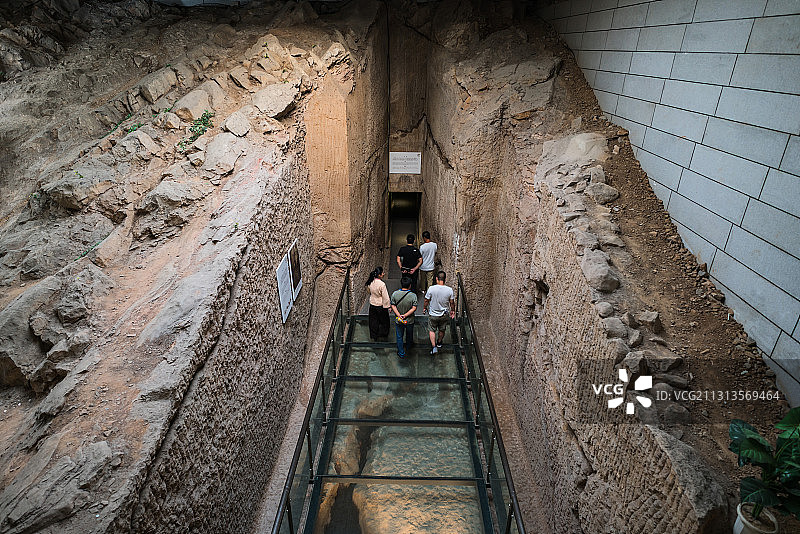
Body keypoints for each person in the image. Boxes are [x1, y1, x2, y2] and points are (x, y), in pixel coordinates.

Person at [422, 271, 455, 355]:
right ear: (445, 279)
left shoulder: (431, 289)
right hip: (444, 314)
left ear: (436, 278)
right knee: (442, 329)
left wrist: (424, 308)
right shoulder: (449, 290)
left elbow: (426, 300)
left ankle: (434, 347)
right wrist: (453, 311)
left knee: (431, 330)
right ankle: (439, 342)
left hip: (433, 314)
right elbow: (452, 302)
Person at [390, 276, 418, 358]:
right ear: (410, 285)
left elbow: (393, 305)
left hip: (399, 320)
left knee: (399, 336)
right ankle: (408, 348)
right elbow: (414, 308)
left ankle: (401, 352)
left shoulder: (395, 294)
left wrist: (399, 315)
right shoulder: (413, 296)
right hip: (409, 320)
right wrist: (405, 315)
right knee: (409, 335)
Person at [365, 266, 390, 341]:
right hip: (380, 305)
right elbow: (385, 297)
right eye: (382, 273)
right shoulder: (382, 284)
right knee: (384, 321)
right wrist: (388, 306)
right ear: (379, 275)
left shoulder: (370, 282)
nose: (383, 274)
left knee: (373, 321)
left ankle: (374, 336)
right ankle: (383, 335)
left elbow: (369, 291)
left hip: (372, 304)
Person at [418, 230, 438, 295]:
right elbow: (435, 252)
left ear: (424, 238)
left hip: (423, 266)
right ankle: (429, 291)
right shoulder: (434, 245)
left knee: (423, 279)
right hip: (431, 266)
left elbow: (420, 256)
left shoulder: (422, 247)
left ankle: (423, 290)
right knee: (430, 280)